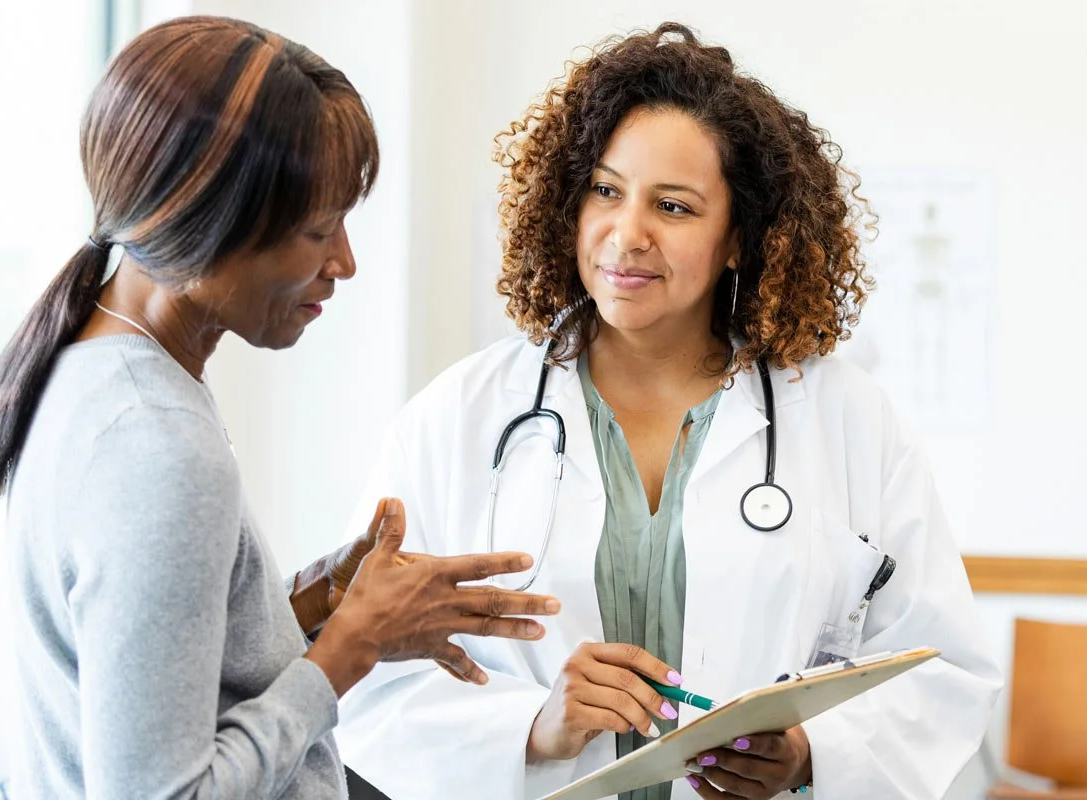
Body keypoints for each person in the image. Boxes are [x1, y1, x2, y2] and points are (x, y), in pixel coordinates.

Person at [334, 22, 1003, 800]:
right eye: (606, 191)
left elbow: (942, 668)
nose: (627, 235)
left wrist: (811, 751)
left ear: (738, 240)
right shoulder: (459, 418)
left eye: (675, 207)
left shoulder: (845, 418)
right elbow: (364, 675)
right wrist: (531, 728)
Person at [0, 16, 559, 799]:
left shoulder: (95, 364)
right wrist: (349, 649)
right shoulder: (159, 447)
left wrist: (310, 604)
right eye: (317, 231)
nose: (345, 262)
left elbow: (157, 675)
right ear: (202, 225)